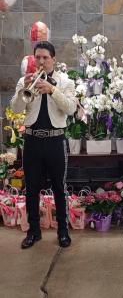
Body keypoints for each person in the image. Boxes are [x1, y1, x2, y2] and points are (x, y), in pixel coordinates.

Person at [11, 41, 77, 249]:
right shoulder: (25, 81)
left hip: (55, 140)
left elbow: (71, 108)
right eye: (37, 57)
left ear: (53, 60)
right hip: (32, 140)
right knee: (31, 188)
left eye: (45, 57)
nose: (40, 61)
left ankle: (63, 232)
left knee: (59, 187)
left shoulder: (65, 82)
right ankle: (33, 231)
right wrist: (24, 88)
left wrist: (52, 90)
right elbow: (15, 107)